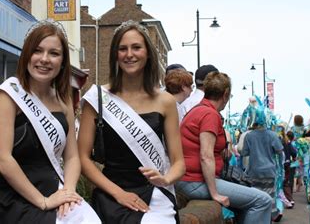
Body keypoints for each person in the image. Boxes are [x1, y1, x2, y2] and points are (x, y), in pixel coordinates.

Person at [0, 19, 100, 224]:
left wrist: (68, 191)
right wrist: (42, 201)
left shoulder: (63, 99)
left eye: (54, 53)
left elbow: (72, 157)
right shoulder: (9, 94)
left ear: (62, 61)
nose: (44, 59)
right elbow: (2, 159)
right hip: (18, 198)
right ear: (26, 55)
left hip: (56, 190)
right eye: (37, 51)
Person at [78, 20, 185, 224]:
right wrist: (118, 193)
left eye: (136, 47)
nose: (129, 54)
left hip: (154, 193)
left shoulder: (166, 102)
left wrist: (166, 179)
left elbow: (179, 162)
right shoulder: (98, 99)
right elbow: (82, 158)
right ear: (115, 55)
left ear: (147, 53)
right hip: (111, 194)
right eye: (122, 49)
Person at [176, 71, 273, 223]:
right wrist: (215, 193)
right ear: (225, 94)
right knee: (263, 200)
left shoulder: (198, 110)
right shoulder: (209, 114)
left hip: (188, 180)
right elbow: (205, 156)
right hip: (194, 182)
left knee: (246, 204)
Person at [241, 109, 284, 221]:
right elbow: (280, 152)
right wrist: (280, 168)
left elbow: (244, 153)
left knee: (256, 200)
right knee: (269, 199)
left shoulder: (249, 136)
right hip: (269, 172)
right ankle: (270, 218)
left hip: (253, 172)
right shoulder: (273, 135)